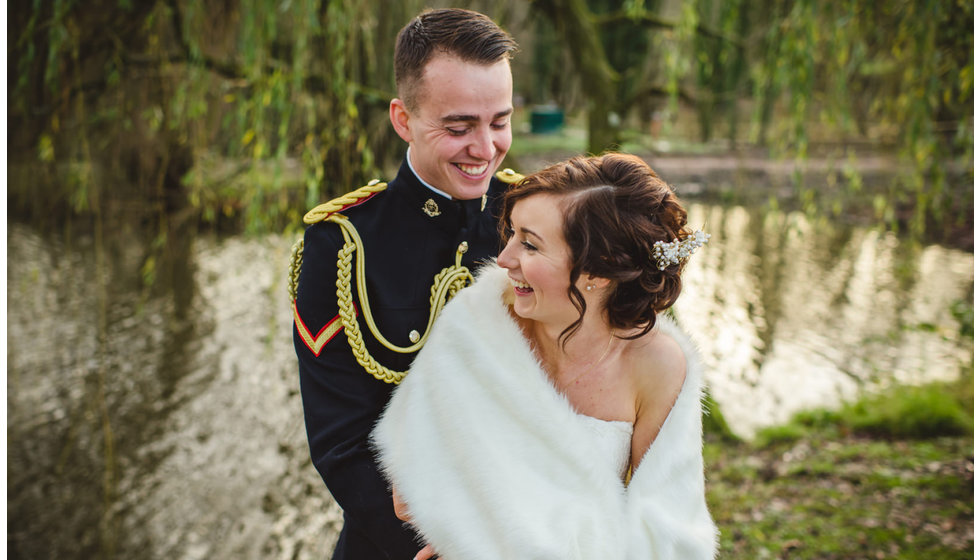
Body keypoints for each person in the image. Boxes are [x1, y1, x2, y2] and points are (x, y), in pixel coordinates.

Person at [373, 153, 719, 559]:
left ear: (599, 271)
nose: (504, 259)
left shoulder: (657, 365)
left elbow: (668, 531)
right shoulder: (476, 322)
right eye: (513, 234)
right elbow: (411, 485)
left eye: (531, 245)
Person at [290, 9, 520, 559]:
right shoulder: (343, 246)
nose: (485, 149)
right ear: (403, 118)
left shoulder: (537, 217)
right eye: (459, 127)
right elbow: (342, 444)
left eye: (500, 121)